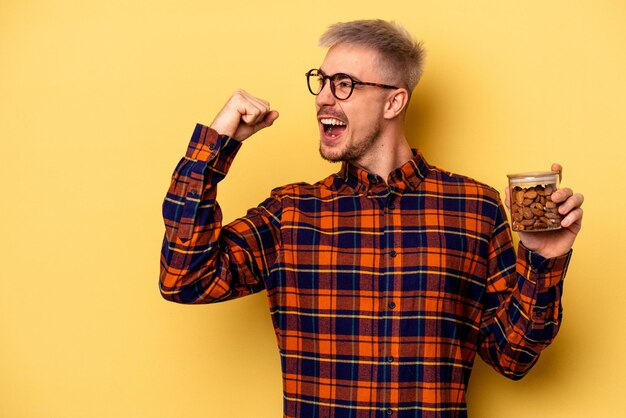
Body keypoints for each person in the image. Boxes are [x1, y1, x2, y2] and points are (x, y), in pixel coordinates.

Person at [160, 19, 584, 418]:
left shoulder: (475, 208)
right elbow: (185, 277)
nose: (324, 97)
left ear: (394, 101)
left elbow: (513, 357)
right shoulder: (290, 215)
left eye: (344, 84)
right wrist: (214, 146)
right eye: (322, 81)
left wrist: (542, 260)